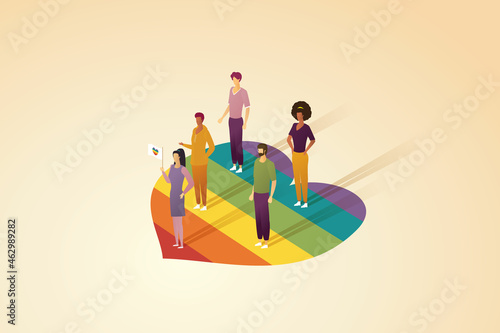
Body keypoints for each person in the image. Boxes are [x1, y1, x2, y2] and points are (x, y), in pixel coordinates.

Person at [179, 112, 215, 211]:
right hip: (194, 162)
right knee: (196, 184)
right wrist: (184, 144)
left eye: (199, 119)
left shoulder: (205, 131)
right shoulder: (194, 130)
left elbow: (212, 147)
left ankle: (205, 204)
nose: (197, 121)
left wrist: (205, 156)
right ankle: (198, 203)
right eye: (196, 119)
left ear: (202, 120)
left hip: (202, 162)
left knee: (203, 183)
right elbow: (194, 146)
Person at [160, 149, 194, 249]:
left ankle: (182, 244)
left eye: (175, 156)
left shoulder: (183, 169)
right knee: (174, 221)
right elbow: (168, 181)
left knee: (179, 221)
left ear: (179, 157)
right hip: (172, 195)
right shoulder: (171, 167)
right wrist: (163, 172)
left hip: (179, 195)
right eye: (173, 156)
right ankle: (176, 242)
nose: (174, 158)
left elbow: (191, 183)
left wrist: (184, 193)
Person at [218, 72, 250, 174]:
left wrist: (245, 122)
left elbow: (247, 107)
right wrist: (222, 117)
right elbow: (229, 105)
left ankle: (240, 166)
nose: (233, 81)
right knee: (232, 143)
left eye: (235, 79)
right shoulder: (231, 90)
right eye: (233, 79)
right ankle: (234, 164)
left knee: (238, 143)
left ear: (239, 79)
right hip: (231, 120)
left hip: (238, 120)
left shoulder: (243, 92)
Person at [287, 101, 316, 208]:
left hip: (303, 156)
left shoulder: (306, 127)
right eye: (297, 114)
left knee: (304, 178)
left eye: (300, 114)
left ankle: (305, 201)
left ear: (304, 115)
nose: (298, 116)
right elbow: (288, 139)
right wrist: (291, 148)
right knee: (297, 178)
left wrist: (306, 150)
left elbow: (312, 140)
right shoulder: (294, 126)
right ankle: (299, 200)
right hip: (295, 155)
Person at [249, 143, 276, 249]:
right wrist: (252, 193)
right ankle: (259, 240)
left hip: (265, 194)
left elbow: (274, 181)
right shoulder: (256, 162)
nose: (259, 152)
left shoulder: (270, 164)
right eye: (258, 150)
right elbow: (255, 179)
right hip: (256, 194)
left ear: (264, 151)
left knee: (265, 218)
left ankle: (266, 242)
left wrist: (271, 196)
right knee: (258, 217)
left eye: (260, 150)